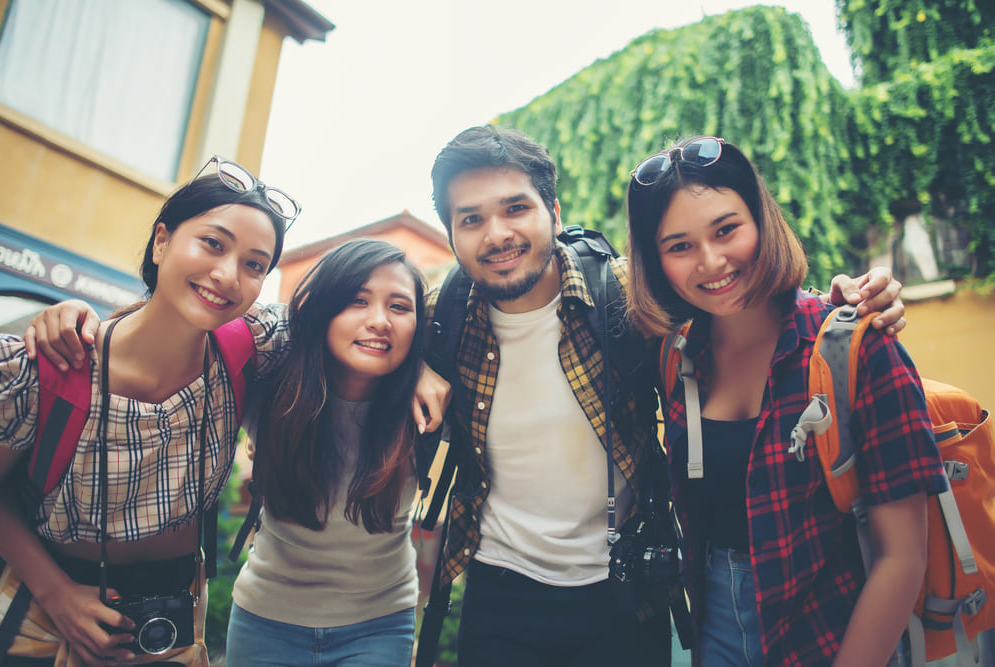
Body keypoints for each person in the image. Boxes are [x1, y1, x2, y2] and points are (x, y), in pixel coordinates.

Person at [415, 124, 907, 666]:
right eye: (471, 219)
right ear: (451, 236)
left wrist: (848, 301)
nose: (497, 234)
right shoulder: (438, 319)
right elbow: (359, 347)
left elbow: (742, 302)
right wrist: (409, 367)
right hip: (499, 596)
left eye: (515, 209)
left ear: (553, 213)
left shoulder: (626, 299)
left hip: (625, 591)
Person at [623, 136, 948, 666]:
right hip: (713, 629)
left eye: (726, 229)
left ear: (761, 220)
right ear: (655, 260)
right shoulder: (672, 357)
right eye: (678, 245)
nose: (711, 261)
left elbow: (902, 556)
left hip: (835, 631)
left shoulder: (858, 348)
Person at [0, 156, 296, 666]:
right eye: (213, 243)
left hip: (172, 624)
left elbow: (350, 316)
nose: (227, 275)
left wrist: (423, 366)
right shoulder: (50, 366)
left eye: (254, 264)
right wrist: (57, 594)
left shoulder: (250, 350)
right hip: (45, 614)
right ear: (161, 242)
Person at [223, 238, 427, 666]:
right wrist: (75, 319)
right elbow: (181, 333)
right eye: (357, 300)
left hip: (380, 624)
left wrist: (428, 370)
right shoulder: (271, 384)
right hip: (265, 618)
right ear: (324, 310)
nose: (379, 321)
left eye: (399, 307)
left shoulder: (427, 408)